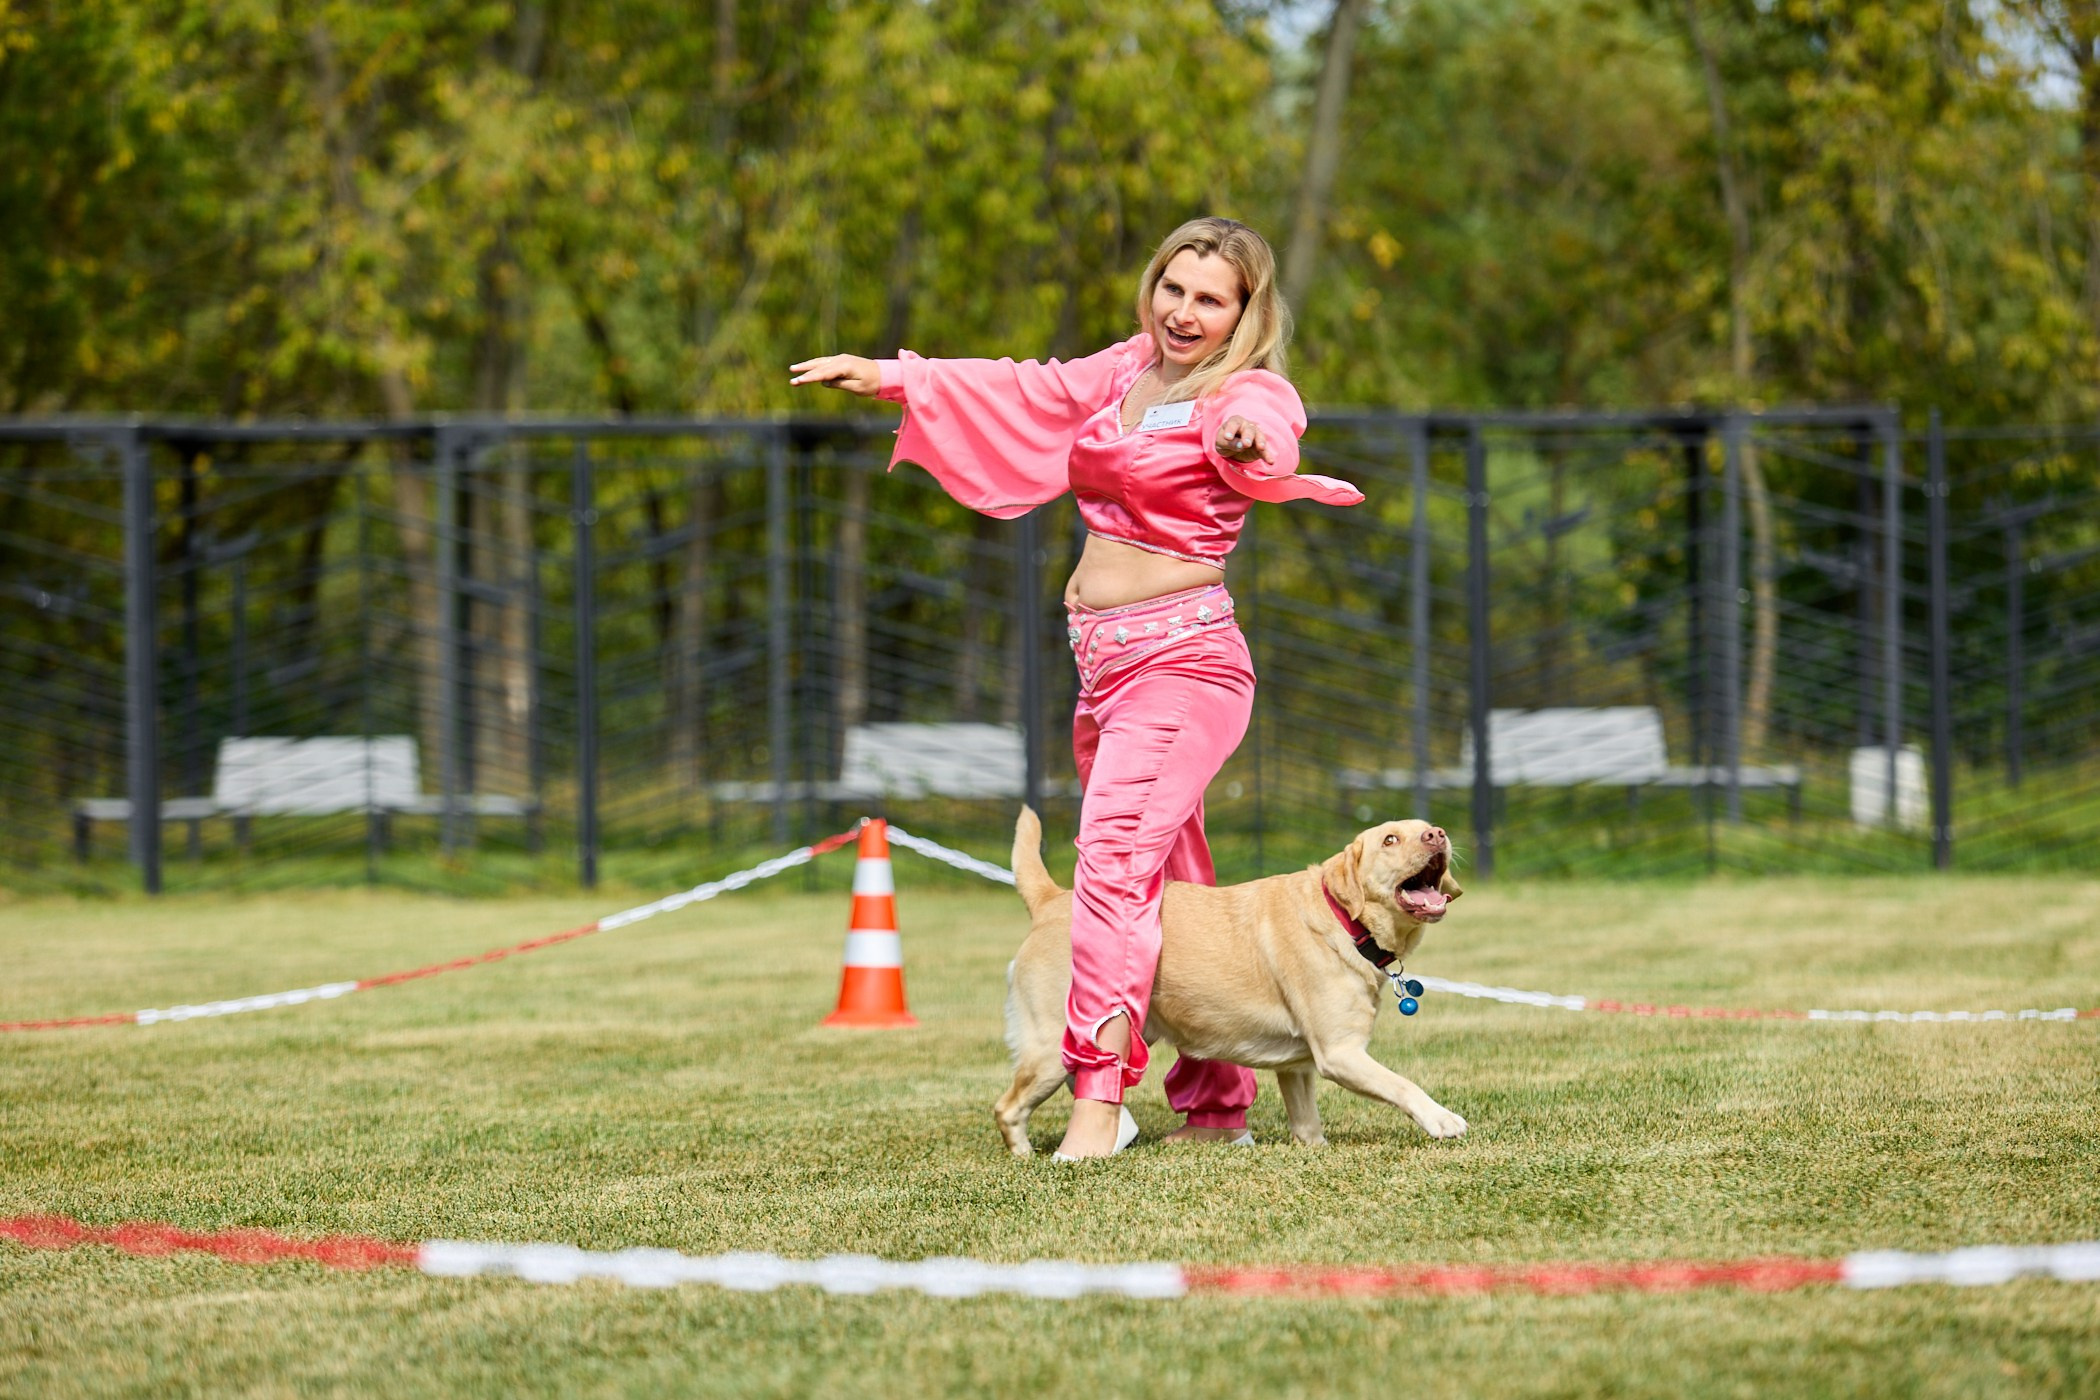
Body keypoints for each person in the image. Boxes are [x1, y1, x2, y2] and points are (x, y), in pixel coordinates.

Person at [789, 217, 1363, 1158]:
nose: (1183, 312)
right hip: (1103, 668)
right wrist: (892, 376)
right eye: (1172, 288)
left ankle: (1098, 1101)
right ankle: (1216, 1107)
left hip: (1184, 667)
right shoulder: (1126, 371)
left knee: (1106, 869)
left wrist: (1255, 442)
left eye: (1209, 298)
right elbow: (1031, 388)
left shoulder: (1247, 391)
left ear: (1244, 313)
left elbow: (1267, 436)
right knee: (1172, 878)